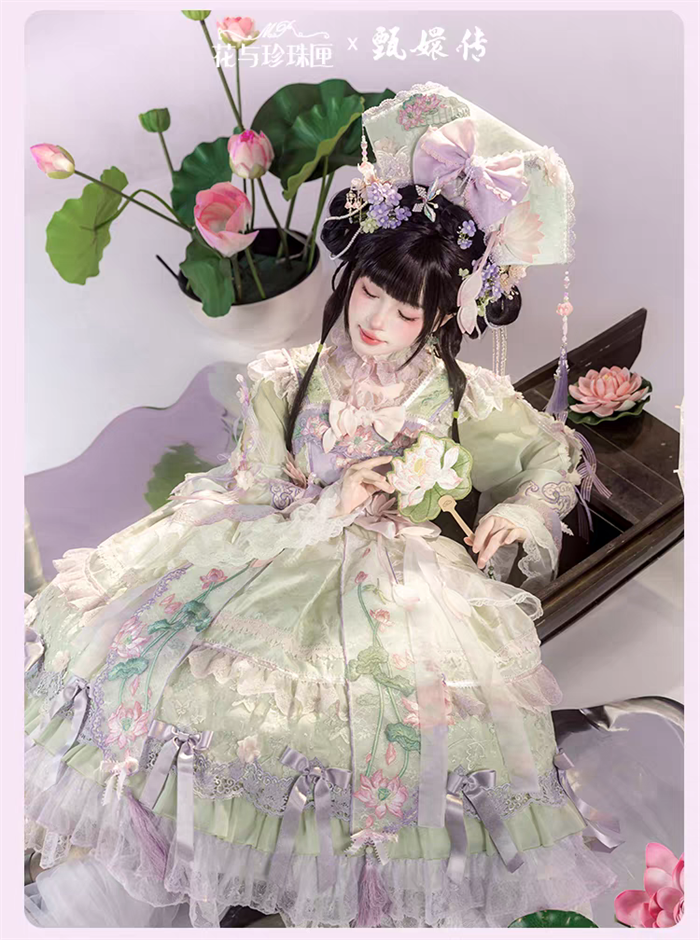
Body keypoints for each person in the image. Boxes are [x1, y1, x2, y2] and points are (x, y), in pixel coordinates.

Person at [24, 83, 622, 928]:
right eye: (370, 290)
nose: (376, 319)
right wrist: (330, 498)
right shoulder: (283, 376)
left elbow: (551, 455)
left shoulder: (461, 395)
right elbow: (251, 490)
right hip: (276, 552)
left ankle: (317, 887)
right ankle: (201, 865)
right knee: (177, 685)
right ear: (353, 275)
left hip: (400, 582)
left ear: (440, 317)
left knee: (376, 729)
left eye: (406, 310)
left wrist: (519, 513)